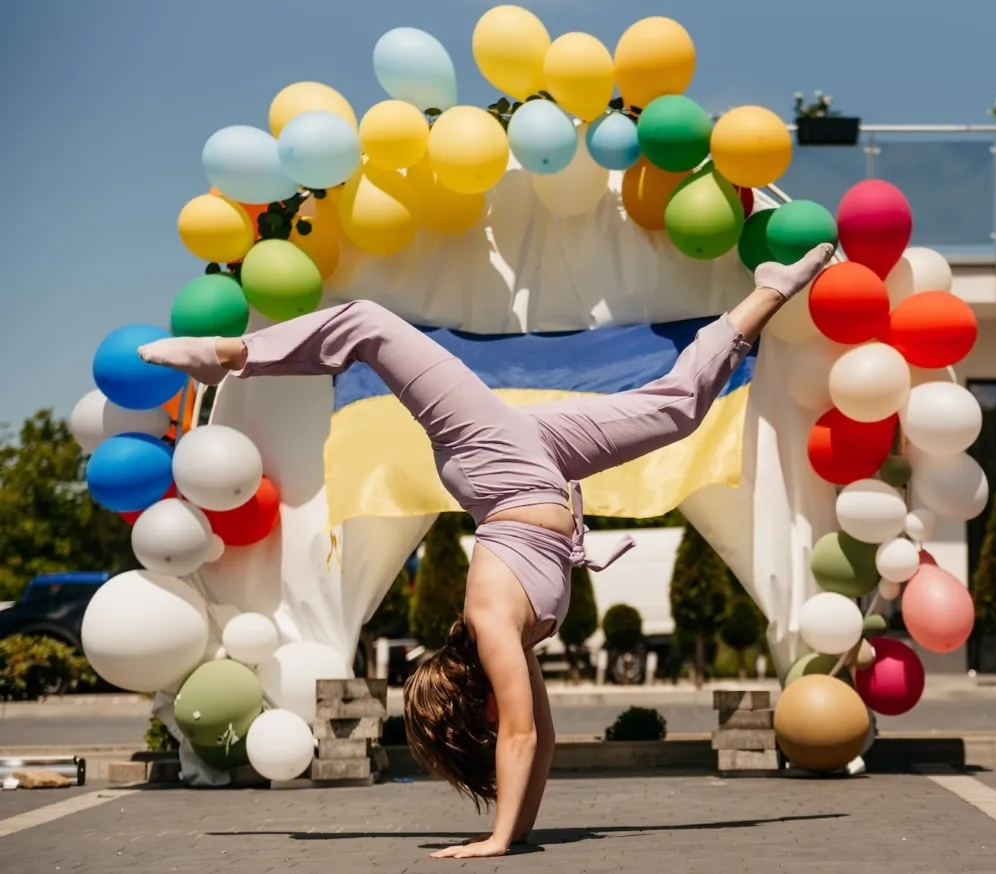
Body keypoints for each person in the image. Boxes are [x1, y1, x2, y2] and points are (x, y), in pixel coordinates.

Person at [139, 243, 836, 859]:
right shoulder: (512, 644)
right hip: (536, 460)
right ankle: (773, 288)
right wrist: (519, 832)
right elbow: (542, 742)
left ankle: (229, 357)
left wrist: (497, 842)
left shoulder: (493, 626)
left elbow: (523, 739)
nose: (504, 717)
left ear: (478, 699)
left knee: (370, 325)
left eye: (484, 719)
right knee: (679, 407)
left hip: (494, 456)